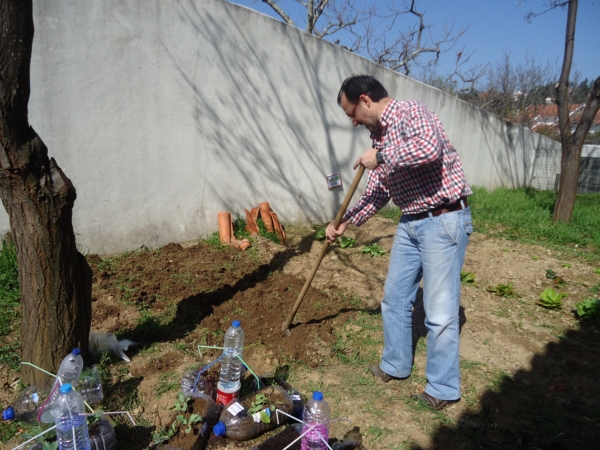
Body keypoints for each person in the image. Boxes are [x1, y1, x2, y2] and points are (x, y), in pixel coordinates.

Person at [326, 75, 473, 410]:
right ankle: (395, 364)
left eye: (352, 113)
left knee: (439, 311)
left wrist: (380, 156)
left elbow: (429, 149)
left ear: (365, 100)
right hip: (411, 222)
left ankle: (443, 388)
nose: (353, 122)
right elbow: (377, 192)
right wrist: (345, 220)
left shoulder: (410, 113)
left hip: (443, 219)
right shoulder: (378, 138)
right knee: (394, 297)